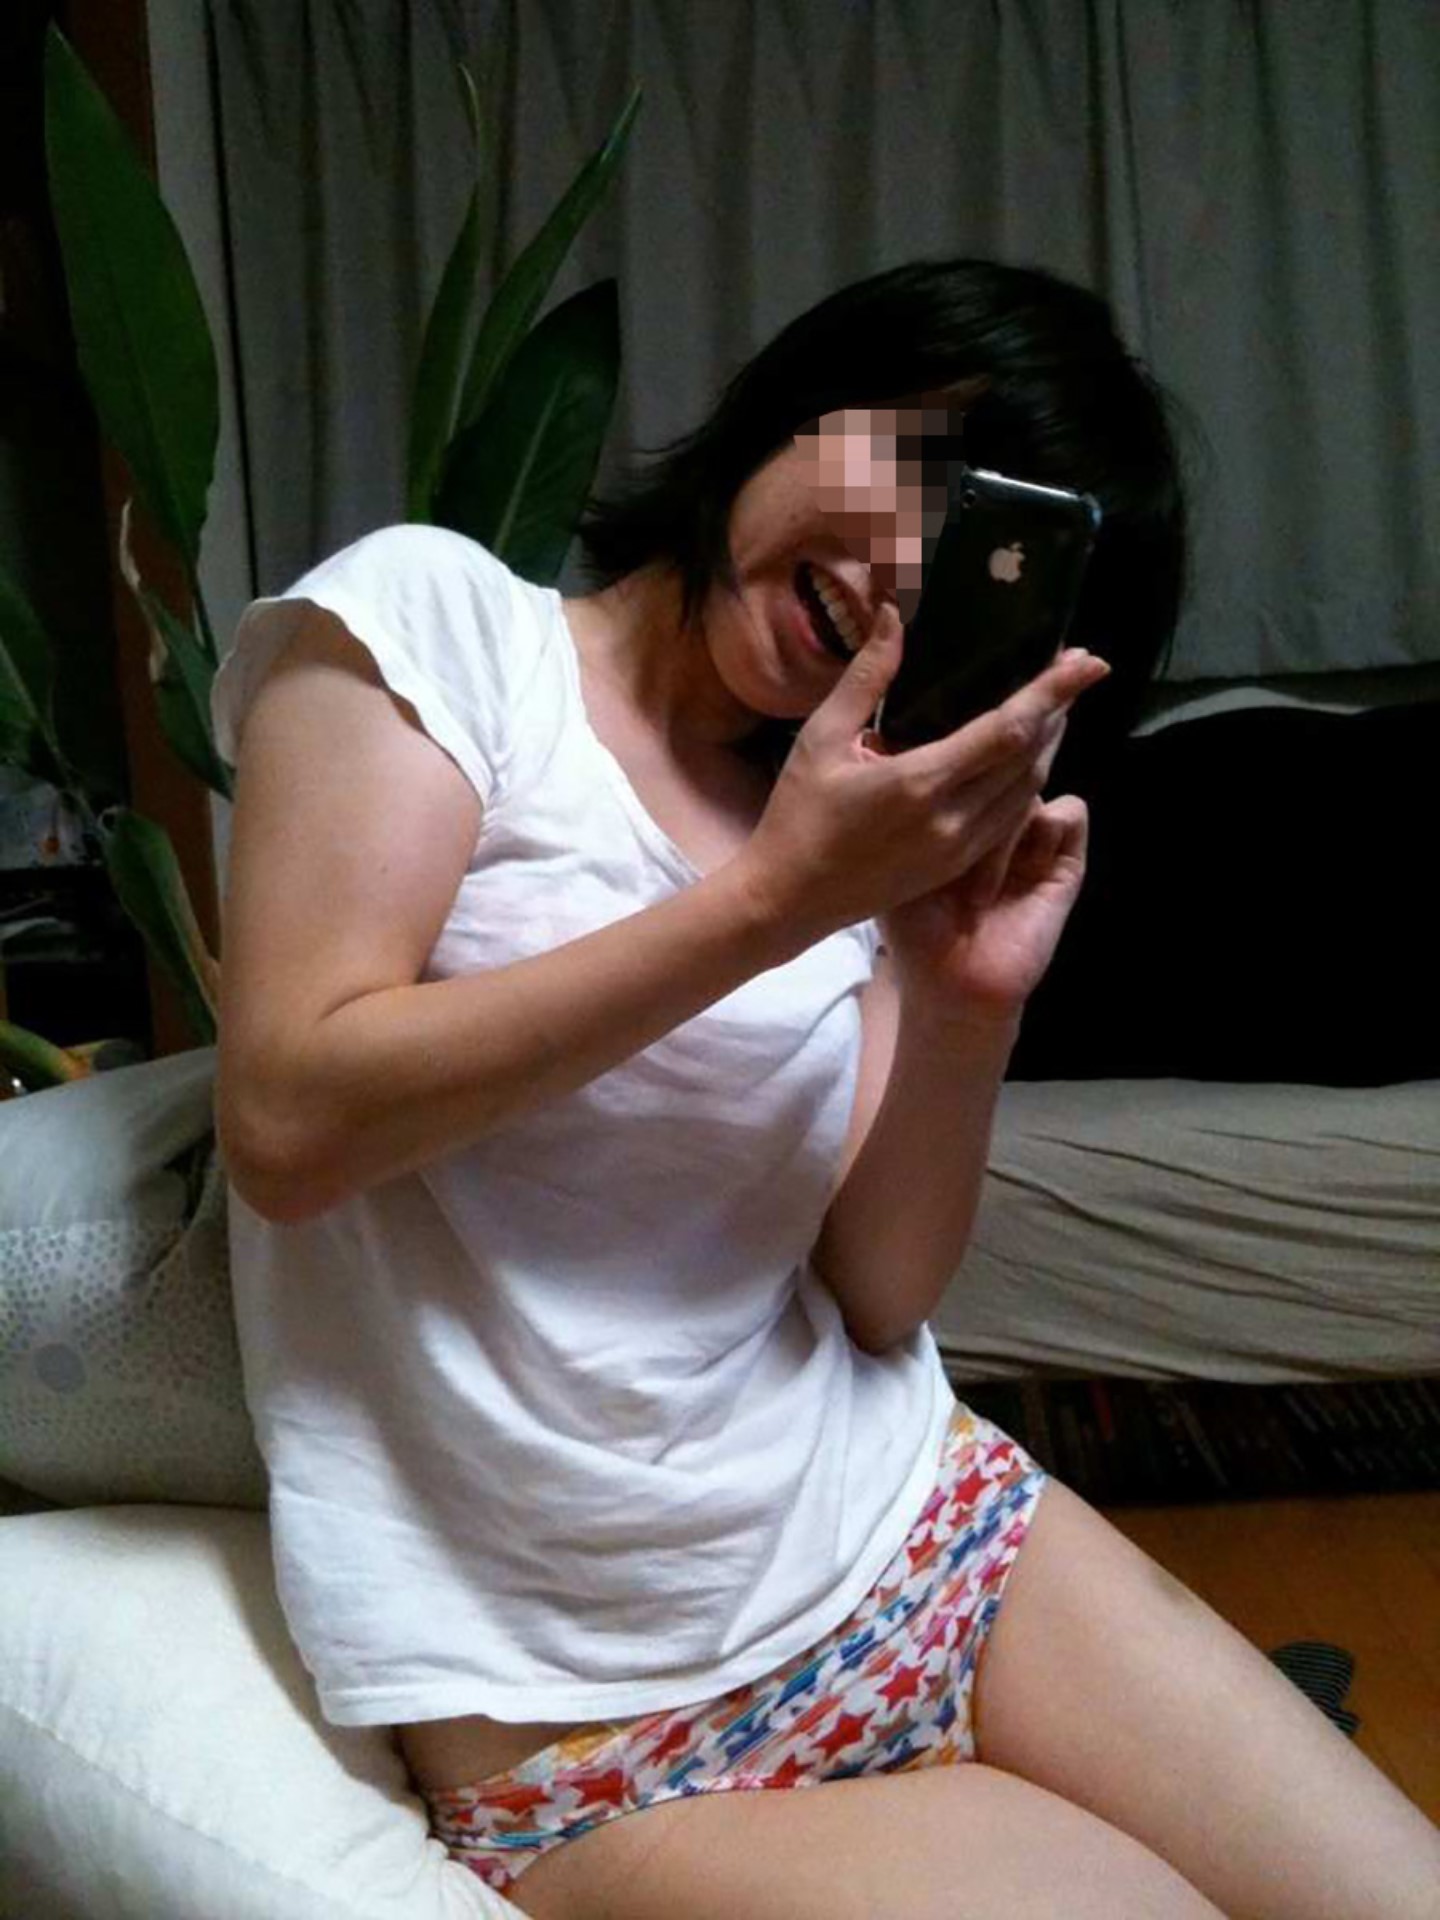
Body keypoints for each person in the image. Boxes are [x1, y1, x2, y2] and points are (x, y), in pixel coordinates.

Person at [211, 259, 1440, 1920]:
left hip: (921, 1533)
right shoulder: (447, 629)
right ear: (809, 396)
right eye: (917, 470)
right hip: (596, 1728)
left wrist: (961, 1000)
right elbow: (291, 1124)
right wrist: (780, 897)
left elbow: (878, 1292)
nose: (897, 580)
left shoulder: (839, 825)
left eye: (983, 565)